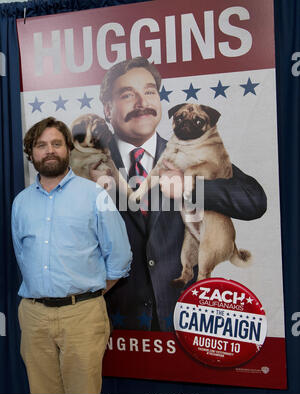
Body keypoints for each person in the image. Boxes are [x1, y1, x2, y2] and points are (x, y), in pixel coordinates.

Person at [90, 56, 267, 332]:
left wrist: (190, 187)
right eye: (127, 94)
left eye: (149, 92)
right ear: (107, 108)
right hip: (113, 326)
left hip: (185, 321)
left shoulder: (191, 151)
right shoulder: (89, 164)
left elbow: (254, 200)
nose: (142, 102)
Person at [11, 117, 132, 394]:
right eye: (41, 145)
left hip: (82, 315)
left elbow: (121, 256)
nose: (49, 150)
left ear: (68, 149)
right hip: (33, 317)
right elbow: (22, 255)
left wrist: (89, 296)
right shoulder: (21, 203)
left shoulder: (94, 195)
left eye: (56, 143)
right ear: (32, 153)